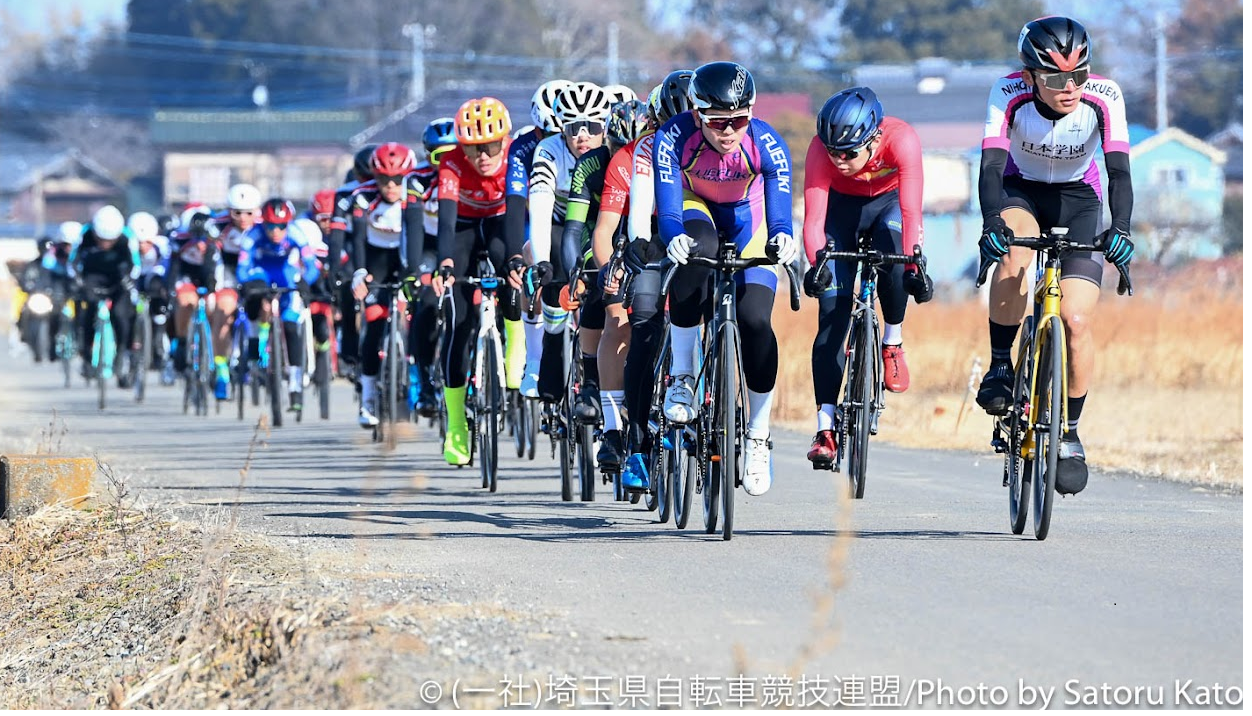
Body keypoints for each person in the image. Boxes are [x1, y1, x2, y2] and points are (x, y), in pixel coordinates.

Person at [975, 16, 1134, 495]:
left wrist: (1121, 229)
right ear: (1029, 77)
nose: (1070, 88)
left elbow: (1120, 176)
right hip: (1020, 191)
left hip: (1080, 199)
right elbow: (990, 168)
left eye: (1078, 76)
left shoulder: (1105, 97)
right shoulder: (1007, 94)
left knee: (1077, 320)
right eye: (1055, 79)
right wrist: (992, 223)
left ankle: (1069, 432)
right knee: (1013, 253)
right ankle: (1001, 363)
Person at [653, 61, 800, 496]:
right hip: (695, 206)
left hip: (748, 217)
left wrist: (782, 238)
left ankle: (757, 434)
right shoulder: (674, 136)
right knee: (694, 254)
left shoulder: (767, 141)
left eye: (739, 119)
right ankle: (682, 379)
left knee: (756, 319)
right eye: (719, 122)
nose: (730, 130)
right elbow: (669, 208)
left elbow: (778, 207)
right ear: (698, 113)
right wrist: (673, 237)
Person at [802, 87, 932, 468]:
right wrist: (816, 266)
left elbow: (911, 212)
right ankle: (825, 427)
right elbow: (813, 220)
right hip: (840, 213)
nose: (839, 160)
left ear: (874, 137)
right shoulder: (820, 150)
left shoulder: (902, 140)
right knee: (831, 319)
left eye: (849, 152)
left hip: (888, 206)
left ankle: (892, 341)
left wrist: (914, 267)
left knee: (894, 262)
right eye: (832, 152)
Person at [561, 98, 653, 473]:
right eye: (617, 146)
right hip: (606, 236)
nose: (624, 155)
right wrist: (597, 273)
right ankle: (612, 428)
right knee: (611, 307)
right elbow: (576, 230)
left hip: (653, 237)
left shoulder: (661, 160)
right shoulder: (594, 163)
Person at [617, 69, 694, 490]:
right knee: (645, 324)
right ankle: (637, 445)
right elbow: (641, 203)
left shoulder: (714, 142)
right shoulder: (649, 148)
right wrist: (639, 243)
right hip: (657, 241)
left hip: (702, 238)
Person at [430, 97, 517, 465]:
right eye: (472, 148)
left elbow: (517, 212)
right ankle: (455, 425)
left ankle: (516, 346)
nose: (482, 155)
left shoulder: (516, 155)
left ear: (504, 140)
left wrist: (515, 258)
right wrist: (444, 262)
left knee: (513, 269)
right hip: (464, 227)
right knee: (458, 321)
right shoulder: (450, 162)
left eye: (490, 145)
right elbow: (446, 223)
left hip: (500, 221)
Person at [523, 81, 613, 414]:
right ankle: (551, 336)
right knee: (552, 267)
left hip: (601, 221)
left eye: (591, 127)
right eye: (574, 128)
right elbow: (542, 207)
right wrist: (544, 262)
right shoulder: (548, 150)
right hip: (562, 222)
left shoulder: (614, 151)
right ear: (562, 129)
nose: (582, 136)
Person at [347, 142, 425, 428]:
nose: (391, 186)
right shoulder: (362, 198)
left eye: (397, 180)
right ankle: (368, 396)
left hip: (407, 259)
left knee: (420, 315)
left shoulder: (416, 195)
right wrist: (359, 273)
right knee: (374, 320)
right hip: (377, 263)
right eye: (383, 180)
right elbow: (356, 240)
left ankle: (418, 379)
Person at [505, 80, 571, 397]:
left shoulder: (587, 142)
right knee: (532, 261)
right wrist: (516, 257)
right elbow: (515, 206)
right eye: (549, 135)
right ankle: (534, 360)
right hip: (538, 215)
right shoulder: (523, 148)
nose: (558, 143)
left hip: (578, 216)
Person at [238, 199, 319, 412]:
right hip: (261, 273)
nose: (276, 231)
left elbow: (312, 266)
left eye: (281, 226)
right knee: (253, 298)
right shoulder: (252, 235)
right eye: (271, 226)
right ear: (263, 223)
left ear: (288, 224)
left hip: (287, 276)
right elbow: (243, 267)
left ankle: (294, 383)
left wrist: (305, 281)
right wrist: (247, 284)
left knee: (291, 326)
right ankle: (254, 339)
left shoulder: (296, 234)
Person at [405, 117, 458, 417]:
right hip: (427, 245)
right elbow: (412, 226)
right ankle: (425, 382)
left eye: (455, 155)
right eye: (441, 157)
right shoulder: (416, 181)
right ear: (428, 156)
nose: (448, 164)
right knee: (425, 302)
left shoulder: (471, 175)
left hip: (460, 242)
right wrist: (414, 272)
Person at [327, 144, 378, 377]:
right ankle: (349, 349)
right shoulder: (346, 193)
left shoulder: (390, 188)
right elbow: (336, 237)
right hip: (352, 242)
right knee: (347, 287)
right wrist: (334, 268)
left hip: (380, 242)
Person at [73, 205, 138, 386]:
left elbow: (135, 265)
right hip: (92, 277)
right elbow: (74, 261)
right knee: (88, 312)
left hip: (117, 278)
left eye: (110, 241)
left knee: (120, 315)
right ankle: (87, 356)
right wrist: (78, 280)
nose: (105, 245)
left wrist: (128, 280)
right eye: (101, 240)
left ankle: (122, 352)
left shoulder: (127, 237)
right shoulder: (85, 234)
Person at [210, 182, 262, 399]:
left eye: (248, 213)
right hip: (228, 270)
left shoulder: (264, 224)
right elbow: (210, 257)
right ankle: (221, 371)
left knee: (266, 304)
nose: (242, 218)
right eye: (237, 213)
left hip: (254, 269)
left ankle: (260, 348)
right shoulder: (218, 225)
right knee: (224, 309)